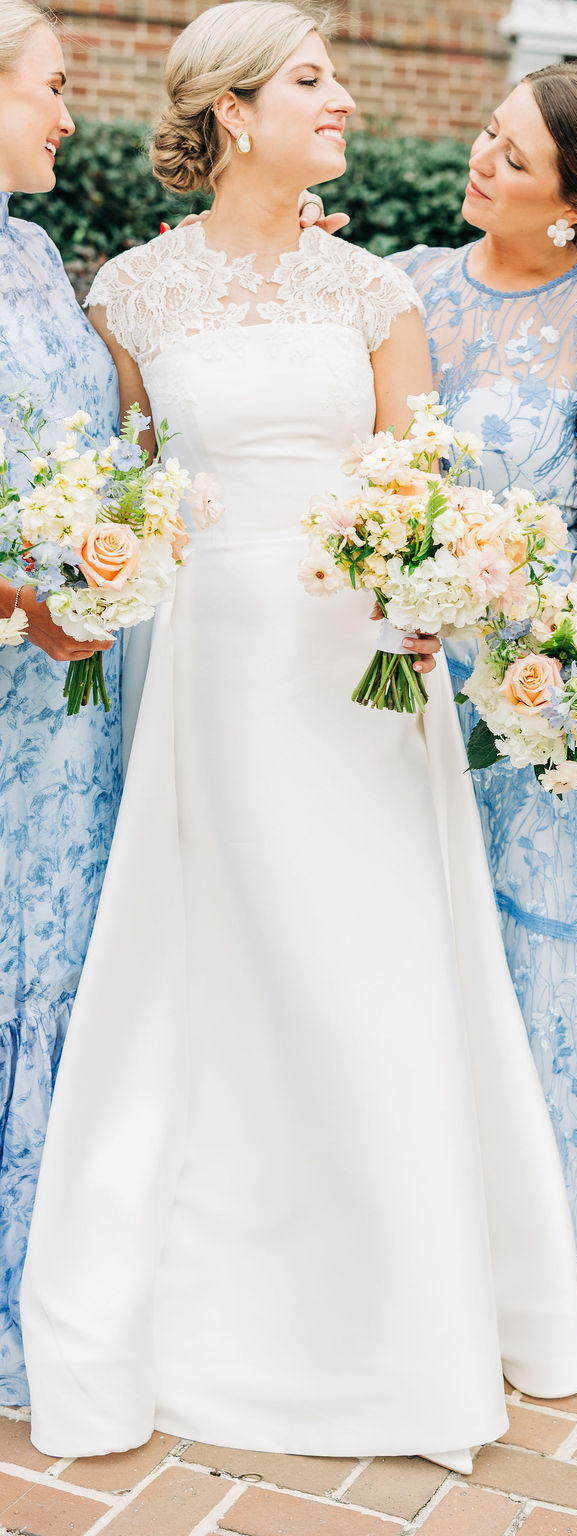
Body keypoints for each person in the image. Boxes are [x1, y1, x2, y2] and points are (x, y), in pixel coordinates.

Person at [20, 0, 577, 1461]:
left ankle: (399, 1310)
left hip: (358, 665)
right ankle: (213, 1301)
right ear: (231, 111)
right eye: (310, 79)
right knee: (221, 958)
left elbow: (421, 477)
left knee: (369, 959)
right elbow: (125, 482)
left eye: (338, 75)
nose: (340, 100)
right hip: (208, 666)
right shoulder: (130, 293)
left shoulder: (372, 291)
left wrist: (437, 583)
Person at [392, 63, 577, 1314]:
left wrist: (553, 654)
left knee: (521, 938)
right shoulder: (406, 284)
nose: (481, 159)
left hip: (526, 680)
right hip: (401, 661)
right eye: (486, 135)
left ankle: (521, 1266)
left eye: (512, 155)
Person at [0, 0, 122, 1405]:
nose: (70, 114)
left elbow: (101, 432)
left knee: (56, 957)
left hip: (67, 697)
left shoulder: (33, 253)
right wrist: (20, 602)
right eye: (53, 86)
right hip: (17, 654)